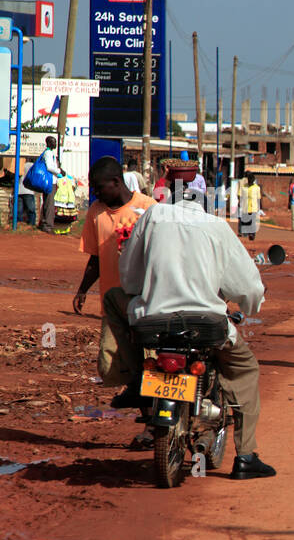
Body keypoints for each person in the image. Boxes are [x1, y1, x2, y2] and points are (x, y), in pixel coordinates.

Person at [116, 173, 276, 480]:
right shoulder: (216, 227)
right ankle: (245, 456)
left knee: (115, 302)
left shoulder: (152, 217)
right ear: (206, 200)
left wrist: (144, 292)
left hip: (153, 323)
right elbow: (248, 287)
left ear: (168, 195)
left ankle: (134, 375)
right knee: (245, 371)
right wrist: (250, 308)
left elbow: (129, 275)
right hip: (205, 326)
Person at [73, 157, 157, 408]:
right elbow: (96, 258)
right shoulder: (96, 212)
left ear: (116, 182)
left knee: (150, 362)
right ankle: (138, 393)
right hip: (113, 305)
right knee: (109, 364)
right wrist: (82, 290)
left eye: (100, 187)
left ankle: (152, 422)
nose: (96, 193)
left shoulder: (148, 208)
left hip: (146, 301)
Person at [38, 136, 65, 233]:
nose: (55, 143)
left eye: (55, 142)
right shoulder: (48, 153)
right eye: (53, 142)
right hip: (50, 182)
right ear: (48, 143)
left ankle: (45, 223)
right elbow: (49, 167)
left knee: (48, 203)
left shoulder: (49, 153)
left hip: (51, 181)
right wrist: (59, 171)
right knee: (49, 204)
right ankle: (48, 226)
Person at [239, 174, 261, 240]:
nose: (250, 182)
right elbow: (240, 195)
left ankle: (252, 234)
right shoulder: (243, 187)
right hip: (245, 207)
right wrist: (239, 202)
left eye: (251, 181)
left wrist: (259, 207)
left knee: (253, 221)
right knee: (246, 221)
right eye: (249, 181)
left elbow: (258, 198)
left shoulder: (257, 188)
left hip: (253, 207)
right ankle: (247, 233)